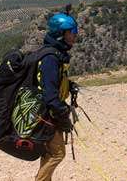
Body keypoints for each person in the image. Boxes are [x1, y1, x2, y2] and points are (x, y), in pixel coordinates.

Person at [35, 11, 78, 181]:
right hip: (46, 114)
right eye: (71, 32)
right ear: (61, 34)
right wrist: (63, 114)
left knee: (49, 153)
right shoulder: (51, 58)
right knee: (58, 153)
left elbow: (54, 83)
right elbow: (50, 96)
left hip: (47, 113)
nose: (74, 36)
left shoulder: (55, 55)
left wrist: (69, 85)